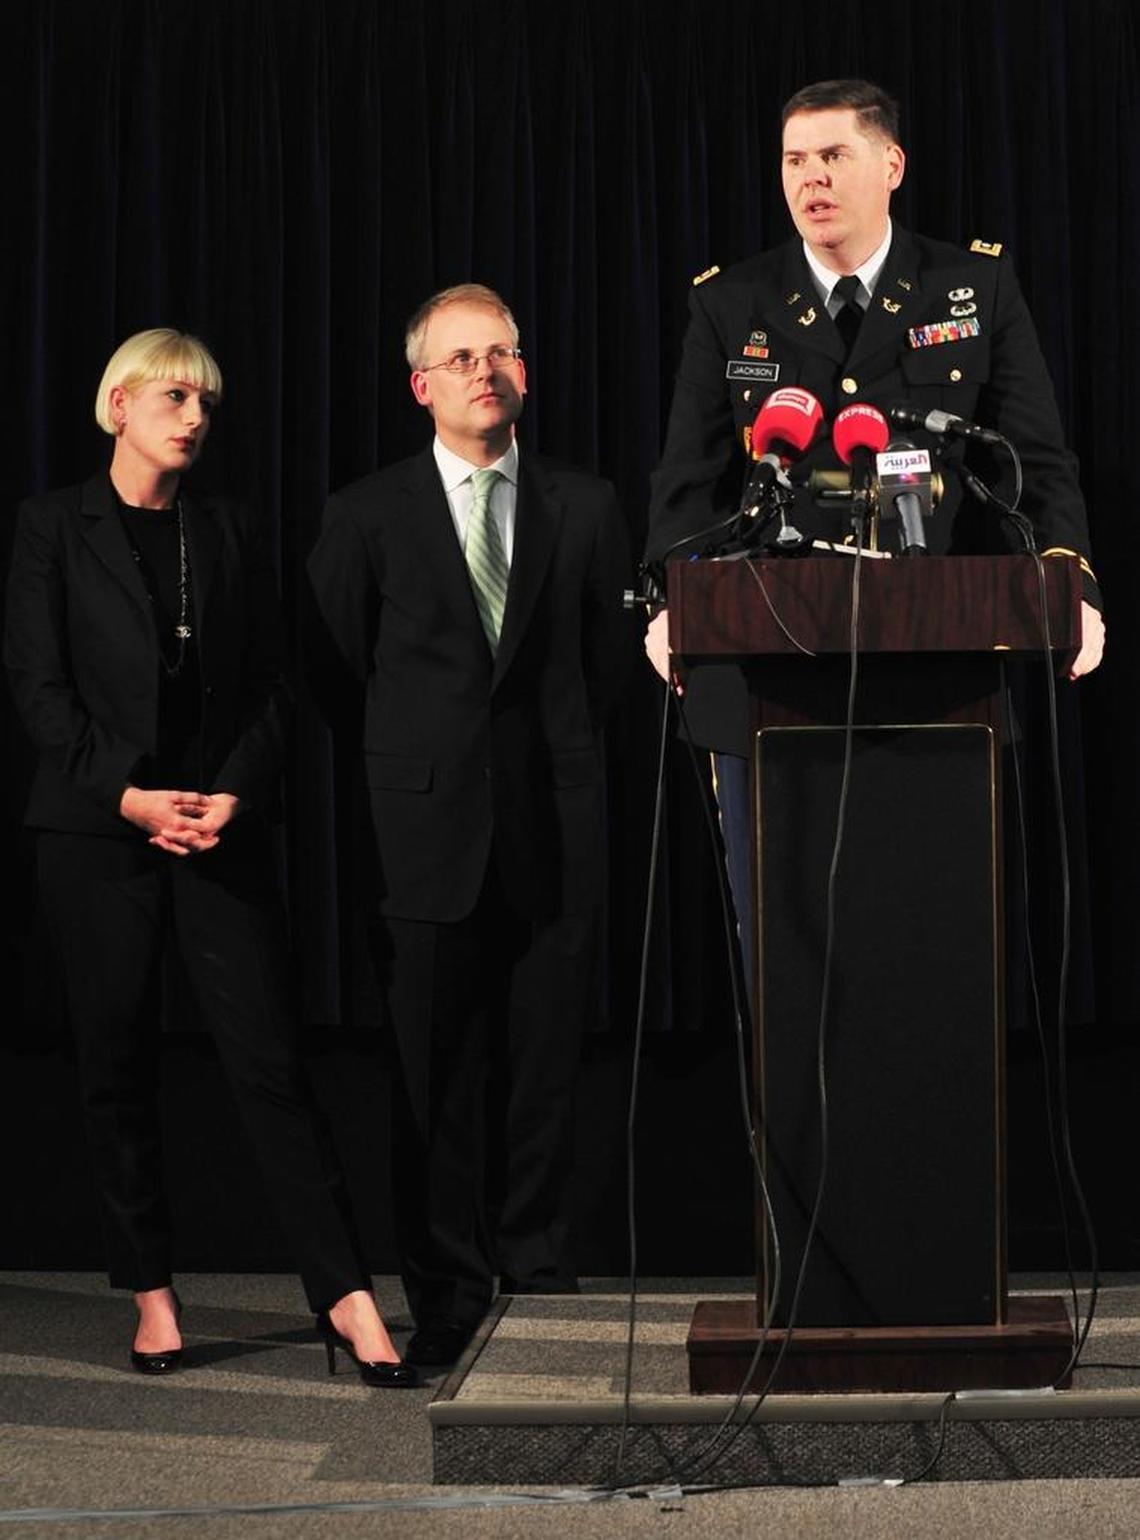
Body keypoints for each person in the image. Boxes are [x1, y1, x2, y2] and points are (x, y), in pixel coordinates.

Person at [4, 329, 415, 1387]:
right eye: (174, 397)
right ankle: (150, 1292)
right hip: (99, 834)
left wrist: (227, 791)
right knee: (117, 1068)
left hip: (215, 827)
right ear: (118, 406)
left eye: (205, 403)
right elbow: (40, 693)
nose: (193, 418)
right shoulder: (52, 525)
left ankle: (344, 1293)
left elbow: (277, 685)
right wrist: (132, 797)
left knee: (272, 1065)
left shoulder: (223, 528)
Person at [643, 78, 1105, 941]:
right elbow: (685, 480)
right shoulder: (731, 302)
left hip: (939, 663)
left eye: (832, 156)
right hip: (771, 662)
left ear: (890, 164)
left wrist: (1069, 579)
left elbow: (1036, 461)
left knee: (931, 938)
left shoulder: (974, 285)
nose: (810, 179)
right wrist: (677, 600)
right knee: (789, 942)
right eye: (794, 161)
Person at [308, 284, 631, 1369]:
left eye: (501, 352)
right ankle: (445, 1290)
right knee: (433, 1078)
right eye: (460, 358)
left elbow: (604, 671)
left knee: (544, 1069)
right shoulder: (365, 513)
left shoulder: (586, 507)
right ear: (421, 387)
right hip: (424, 840)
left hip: (555, 829)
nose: (483, 371)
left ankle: (536, 1270)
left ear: (524, 373)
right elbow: (332, 675)